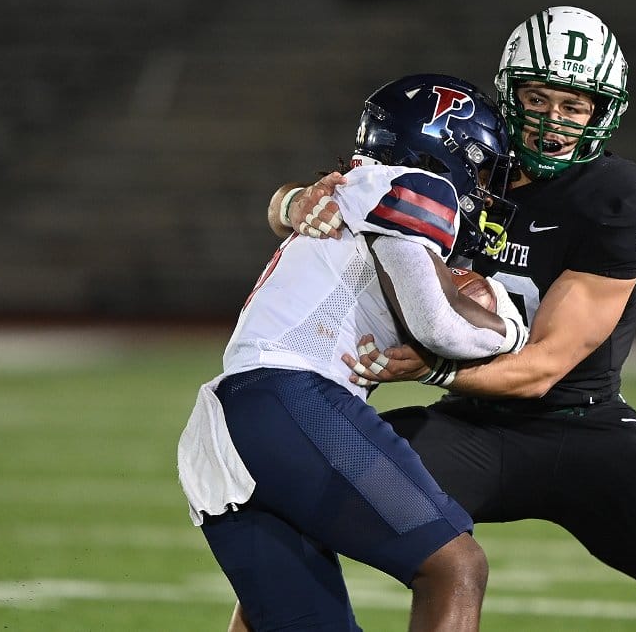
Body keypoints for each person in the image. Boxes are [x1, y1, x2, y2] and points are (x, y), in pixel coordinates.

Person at [270, 6, 636, 631]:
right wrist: (295, 203)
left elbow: (541, 369)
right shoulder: (464, 162)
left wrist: (435, 367)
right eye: (538, 98)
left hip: (583, 429)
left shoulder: (616, 198)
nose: (553, 123)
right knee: (304, 499)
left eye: (573, 106)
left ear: (602, 113)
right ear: (508, 95)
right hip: (472, 429)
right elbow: (338, 199)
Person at [178, 73, 527, 632]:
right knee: (455, 568)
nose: (485, 187)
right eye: (481, 168)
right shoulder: (420, 187)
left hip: (224, 423)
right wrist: (510, 328)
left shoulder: (358, 189)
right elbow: (439, 325)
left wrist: (290, 201)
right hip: (291, 399)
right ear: (447, 152)